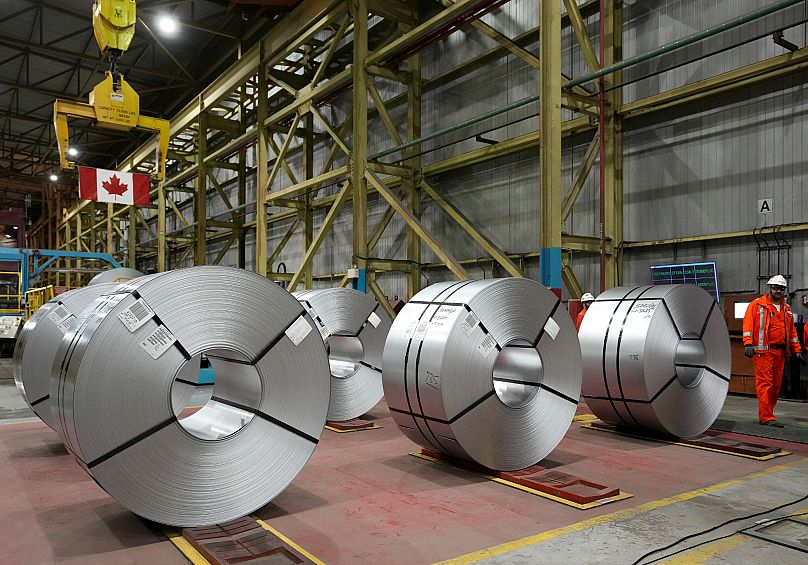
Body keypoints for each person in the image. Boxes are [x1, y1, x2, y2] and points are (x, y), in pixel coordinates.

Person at [742, 275, 803, 427]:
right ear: (769, 288)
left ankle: (767, 414)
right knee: (765, 384)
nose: (778, 291)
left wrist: (797, 350)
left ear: (784, 291)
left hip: (780, 353)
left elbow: (792, 332)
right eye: (775, 288)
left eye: (781, 289)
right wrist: (748, 343)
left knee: (776, 386)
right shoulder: (756, 305)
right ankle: (767, 417)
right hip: (763, 353)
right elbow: (748, 325)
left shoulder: (787, 309)